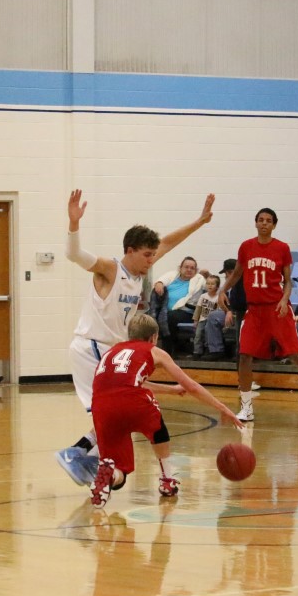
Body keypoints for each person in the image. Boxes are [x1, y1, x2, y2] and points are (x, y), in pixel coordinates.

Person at [57, 189, 215, 486]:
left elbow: (168, 242)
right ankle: (79, 454)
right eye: (147, 254)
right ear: (130, 251)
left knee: (116, 412)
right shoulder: (110, 269)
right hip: (92, 346)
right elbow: (74, 255)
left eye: (153, 255)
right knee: (114, 411)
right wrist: (74, 223)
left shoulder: (139, 272)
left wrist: (199, 222)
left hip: (109, 350)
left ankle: (84, 455)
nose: (152, 259)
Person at [87, 313, 243, 509]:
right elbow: (192, 386)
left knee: (121, 473)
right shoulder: (155, 351)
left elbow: (131, 382)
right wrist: (223, 408)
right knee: (158, 429)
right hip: (132, 401)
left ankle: (110, 475)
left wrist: (171, 390)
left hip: (100, 407)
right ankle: (167, 480)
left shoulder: (112, 351)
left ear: (130, 334)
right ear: (154, 337)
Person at [219, 207, 298, 423]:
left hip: (277, 308)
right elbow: (237, 273)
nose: (264, 223)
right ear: (256, 223)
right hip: (254, 311)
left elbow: (288, 281)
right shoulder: (246, 247)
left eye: (268, 220)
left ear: (274, 225)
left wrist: (284, 299)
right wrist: (222, 290)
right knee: (244, 355)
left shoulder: (282, 248)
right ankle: (246, 407)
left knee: (296, 354)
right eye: (261, 219)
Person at [148, 255, 205, 354]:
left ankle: (168, 351)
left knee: (169, 317)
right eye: (186, 267)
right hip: (165, 310)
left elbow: (210, 285)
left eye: (192, 268)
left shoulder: (199, 281)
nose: (189, 270)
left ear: (196, 271)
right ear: (180, 268)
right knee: (147, 318)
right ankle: (146, 349)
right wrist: (159, 283)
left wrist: (207, 275)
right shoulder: (172, 277)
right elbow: (161, 281)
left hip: (187, 312)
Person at [200, 259, 244, 362]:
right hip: (232, 311)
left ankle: (241, 353)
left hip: (243, 312)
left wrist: (230, 311)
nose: (226, 276)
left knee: (241, 319)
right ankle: (216, 351)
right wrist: (228, 311)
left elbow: (242, 304)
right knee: (213, 316)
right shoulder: (229, 285)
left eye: (227, 273)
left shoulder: (244, 283)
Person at [191, 275, 221, 358]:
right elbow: (198, 309)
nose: (210, 285)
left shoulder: (219, 297)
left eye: (212, 284)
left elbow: (219, 311)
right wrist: (195, 320)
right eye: (208, 283)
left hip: (211, 321)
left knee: (209, 335)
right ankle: (197, 352)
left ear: (217, 286)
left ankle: (208, 350)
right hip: (202, 319)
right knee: (198, 335)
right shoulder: (203, 296)